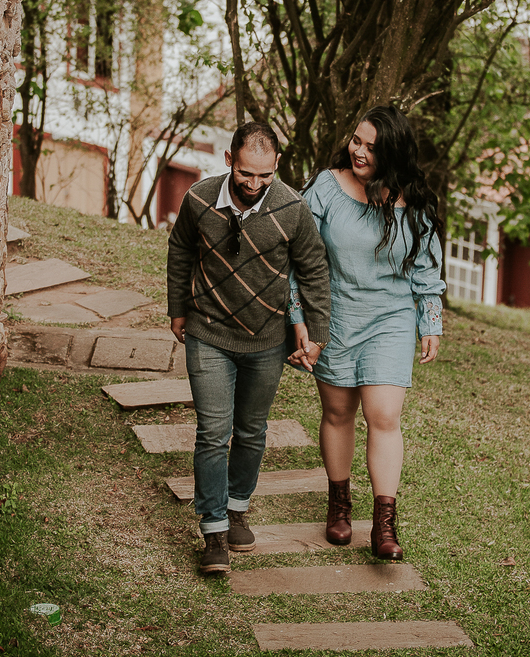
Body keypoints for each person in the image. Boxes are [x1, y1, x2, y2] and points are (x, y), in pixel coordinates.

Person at [167, 121, 331, 575]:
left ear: (276, 165)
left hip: (266, 340)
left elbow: (314, 270)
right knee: (213, 432)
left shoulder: (293, 208)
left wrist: (315, 334)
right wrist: (178, 308)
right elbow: (180, 250)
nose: (255, 185)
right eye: (246, 174)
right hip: (209, 332)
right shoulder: (200, 199)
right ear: (228, 162)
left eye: (264, 175)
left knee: (253, 430)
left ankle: (237, 507)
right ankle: (214, 531)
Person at [288, 105, 445, 560]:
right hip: (334, 316)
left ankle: (384, 525)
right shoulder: (326, 187)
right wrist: (300, 319)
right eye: (357, 140)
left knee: (384, 417)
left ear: (392, 153)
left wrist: (428, 319)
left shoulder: (413, 201)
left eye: (372, 147)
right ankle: (339, 506)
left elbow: (425, 267)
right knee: (338, 414)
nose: (359, 151)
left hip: (391, 319)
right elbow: (300, 260)